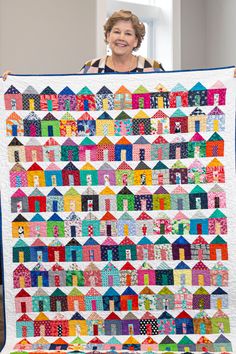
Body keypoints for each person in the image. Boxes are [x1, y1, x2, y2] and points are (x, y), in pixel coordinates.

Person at [79, 9, 164, 74]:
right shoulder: (90, 67)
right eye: (117, 32)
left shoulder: (153, 68)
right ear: (108, 36)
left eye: (128, 33)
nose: (121, 38)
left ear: (135, 41)